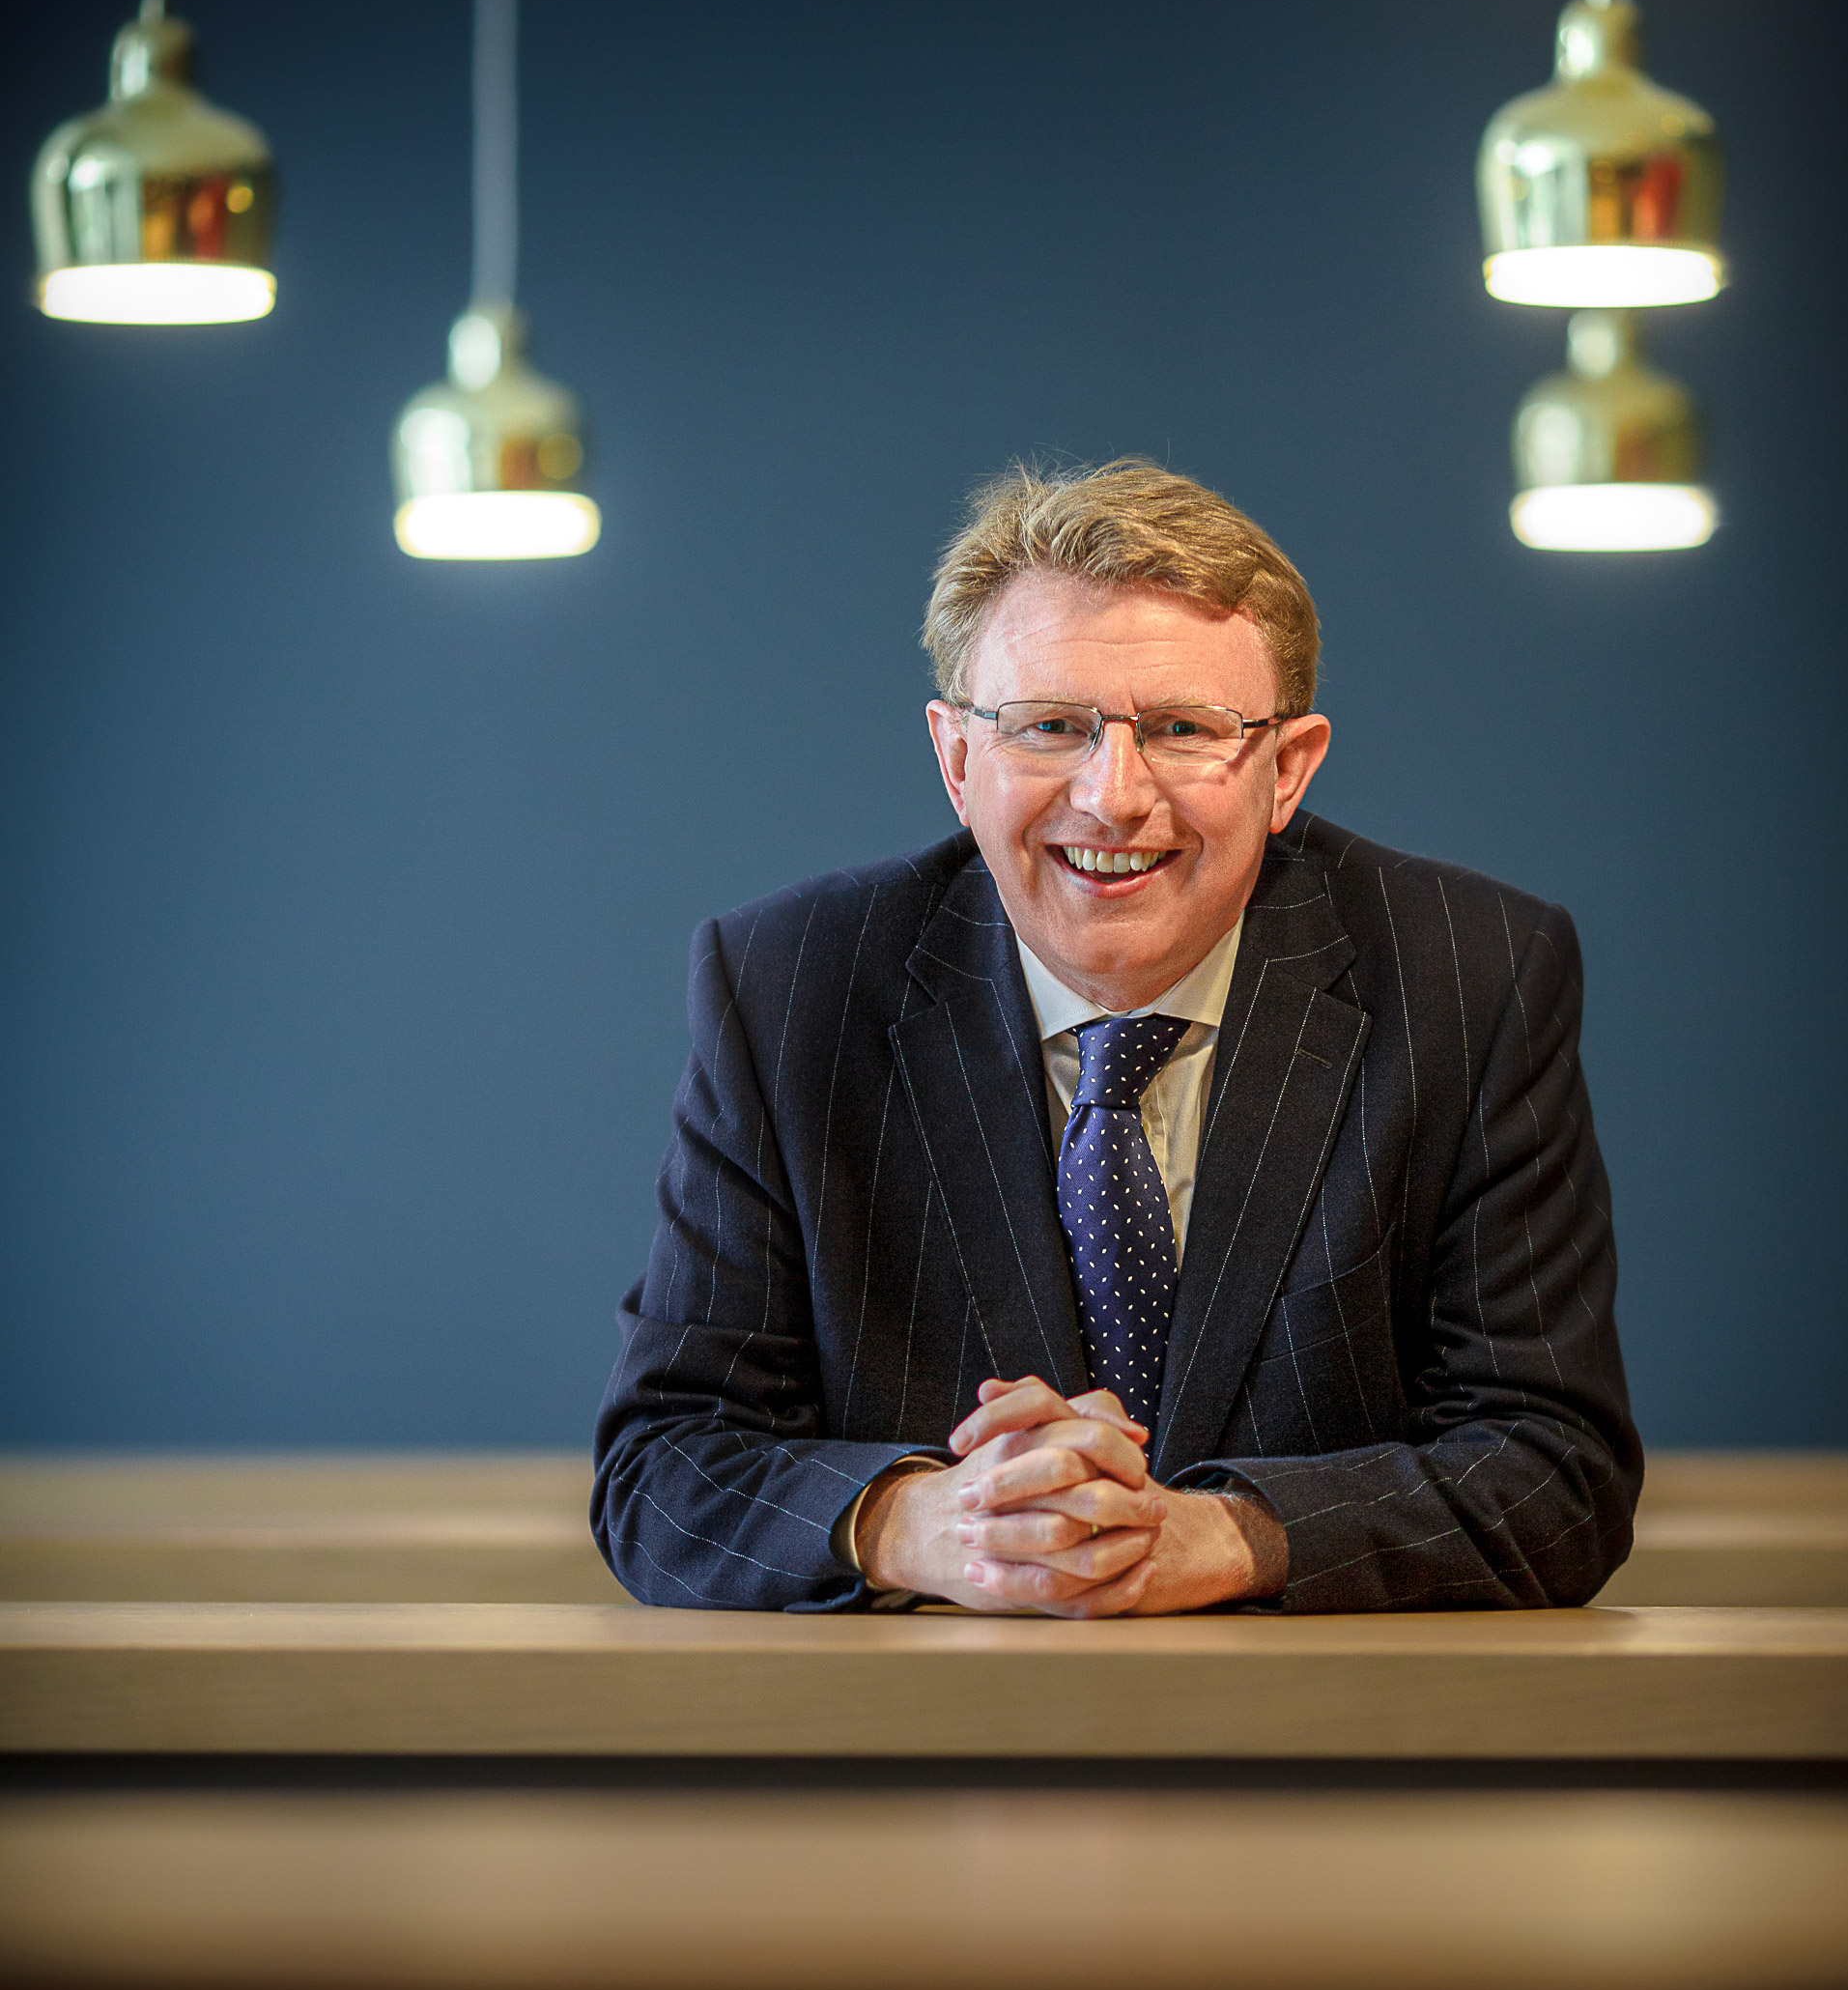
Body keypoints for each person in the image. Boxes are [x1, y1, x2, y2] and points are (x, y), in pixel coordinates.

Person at [592, 459, 1639, 1613]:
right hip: (911, 1751)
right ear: (956, 759)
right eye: (1049, 727)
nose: (1112, 796)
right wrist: (922, 1523)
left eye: (1184, 729)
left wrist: (1219, 1535)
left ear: (1285, 771)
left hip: (1327, 1748)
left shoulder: (1467, 975)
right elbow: (663, 1466)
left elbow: (1554, 1473)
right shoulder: (791, 986)